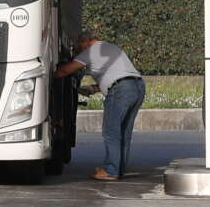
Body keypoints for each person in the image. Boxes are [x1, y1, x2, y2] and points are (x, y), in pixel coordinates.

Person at [55, 31, 145, 181]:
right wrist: (93, 88)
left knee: (111, 132)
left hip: (121, 89)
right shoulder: (112, 48)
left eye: (79, 46)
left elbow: (64, 71)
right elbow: (117, 75)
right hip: (138, 86)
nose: (79, 50)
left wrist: (49, 74)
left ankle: (111, 171)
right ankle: (118, 168)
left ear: (86, 42)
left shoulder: (90, 52)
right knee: (124, 133)